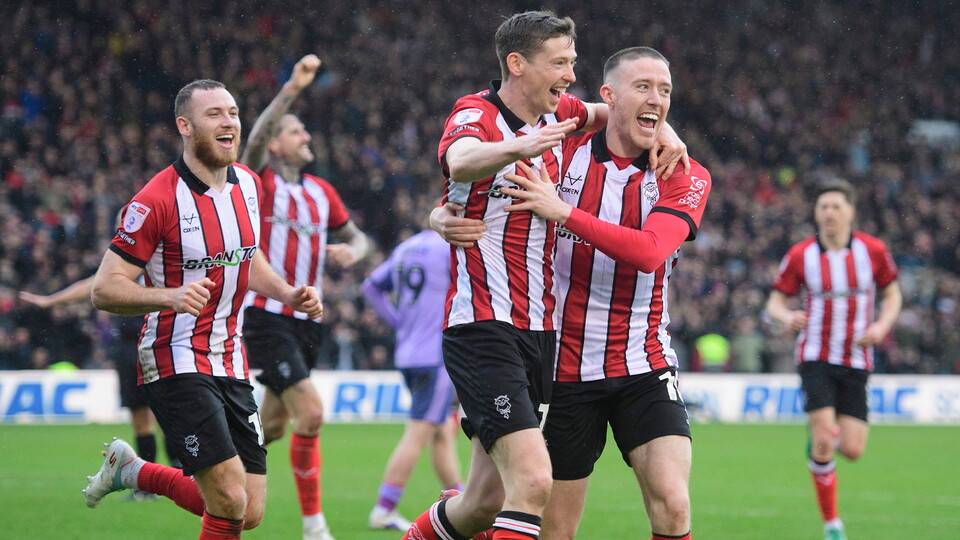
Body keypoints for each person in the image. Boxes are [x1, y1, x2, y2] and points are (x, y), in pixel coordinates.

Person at [403, 12, 688, 540]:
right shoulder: (477, 112)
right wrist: (519, 148)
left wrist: (664, 128)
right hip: (483, 326)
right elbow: (460, 160)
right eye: (559, 63)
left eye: (572, 63)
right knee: (534, 482)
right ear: (517, 64)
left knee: (485, 502)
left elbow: (614, 110)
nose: (570, 75)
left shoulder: (561, 114)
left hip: (541, 336)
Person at [82, 78, 322, 540]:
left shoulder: (249, 184)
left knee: (248, 511)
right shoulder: (155, 199)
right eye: (214, 114)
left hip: (230, 358)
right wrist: (169, 296)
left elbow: (246, 257)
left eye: (232, 112)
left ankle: (135, 471)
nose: (228, 122)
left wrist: (287, 293)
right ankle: (137, 471)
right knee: (229, 498)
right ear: (185, 126)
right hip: (174, 356)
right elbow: (104, 290)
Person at [496, 46, 709, 540]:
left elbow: (650, 252)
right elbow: (511, 110)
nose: (656, 99)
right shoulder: (562, 146)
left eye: (665, 91)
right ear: (608, 96)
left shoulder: (683, 173)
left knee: (673, 504)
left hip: (643, 363)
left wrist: (564, 213)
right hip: (561, 369)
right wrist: (439, 216)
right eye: (643, 87)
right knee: (557, 530)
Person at [238, 53, 372, 540]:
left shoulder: (321, 191)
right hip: (266, 314)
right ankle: (315, 527)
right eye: (297, 131)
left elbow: (360, 239)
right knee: (311, 413)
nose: (307, 136)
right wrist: (291, 89)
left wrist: (353, 252)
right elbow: (253, 141)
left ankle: (211, 469)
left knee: (271, 427)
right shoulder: (260, 181)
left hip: (308, 321)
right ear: (277, 144)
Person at [766, 179, 901, 540]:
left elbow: (892, 293)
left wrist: (882, 325)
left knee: (853, 450)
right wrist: (785, 317)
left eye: (836, 206)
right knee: (825, 439)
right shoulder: (801, 255)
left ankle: (820, 439)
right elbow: (775, 301)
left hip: (857, 358)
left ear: (850, 212)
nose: (829, 212)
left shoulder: (872, 251)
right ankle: (832, 525)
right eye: (823, 206)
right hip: (816, 356)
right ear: (816, 213)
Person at [20, 275, 181, 499]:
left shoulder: (164, 265)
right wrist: (51, 300)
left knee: (168, 414)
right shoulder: (126, 266)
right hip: (129, 347)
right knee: (140, 417)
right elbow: (93, 285)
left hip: (161, 342)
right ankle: (147, 487)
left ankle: (182, 476)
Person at [361, 227, 463, 531]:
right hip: (435, 355)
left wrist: (400, 323)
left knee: (441, 430)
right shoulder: (448, 249)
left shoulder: (406, 248)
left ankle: (461, 500)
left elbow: (370, 287)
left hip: (408, 353)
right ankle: (384, 508)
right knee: (418, 433)